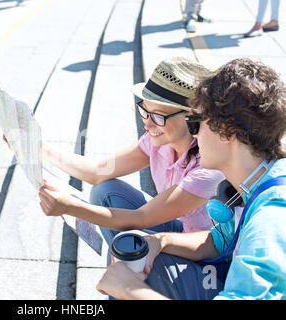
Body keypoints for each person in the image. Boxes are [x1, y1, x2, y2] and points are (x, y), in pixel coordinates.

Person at [96, 58, 286, 300]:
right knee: (142, 258)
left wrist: (130, 290)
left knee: (143, 276)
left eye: (195, 124)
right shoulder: (258, 180)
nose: (193, 136)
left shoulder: (271, 217)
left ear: (226, 131)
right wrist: (159, 240)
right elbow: (219, 241)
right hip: (223, 274)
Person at [38, 57, 224, 245]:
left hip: (207, 252)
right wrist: (38, 147)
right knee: (104, 190)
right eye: (145, 111)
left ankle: (127, 265)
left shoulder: (209, 166)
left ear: (192, 118)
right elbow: (97, 171)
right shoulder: (160, 141)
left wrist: (71, 207)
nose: (148, 124)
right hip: (182, 230)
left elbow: (142, 217)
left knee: (129, 249)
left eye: (159, 116)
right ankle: (125, 263)